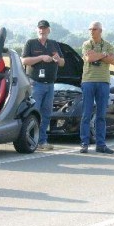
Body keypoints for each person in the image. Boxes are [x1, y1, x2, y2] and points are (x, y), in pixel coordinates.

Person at [22, 20, 65, 151]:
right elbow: (24, 60)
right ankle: (29, 140)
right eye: (40, 29)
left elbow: (62, 62)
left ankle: (42, 141)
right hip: (35, 84)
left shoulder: (54, 44)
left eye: (45, 29)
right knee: (34, 112)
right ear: (37, 30)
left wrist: (58, 59)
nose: (42, 31)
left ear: (49, 30)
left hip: (50, 84)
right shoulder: (31, 43)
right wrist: (41, 57)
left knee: (46, 114)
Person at [79, 21, 114, 154]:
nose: (91, 31)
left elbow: (113, 61)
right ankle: (84, 143)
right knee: (86, 114)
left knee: (101, 114)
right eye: (90, 29)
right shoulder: (86, 44)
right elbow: (89, 58)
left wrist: (98, 56)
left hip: (103, 81)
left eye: (94, 29)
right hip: (88, 81)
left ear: (100, 30)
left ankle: (101, 144)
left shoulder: (108, 45)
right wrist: (103, 55)